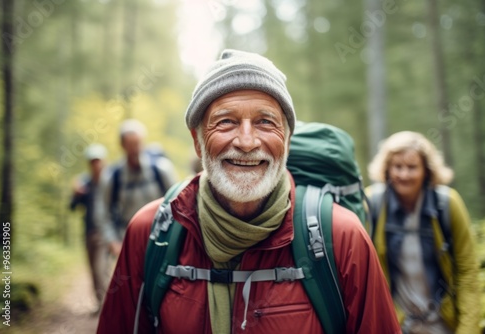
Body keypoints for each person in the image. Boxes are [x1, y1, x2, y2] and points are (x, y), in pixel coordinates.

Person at [97, 49, 400, 333]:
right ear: (197, 140)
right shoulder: (151, 232)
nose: (246, 141)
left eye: (265, 122)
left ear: (287, 140)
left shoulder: (341, 236)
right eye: (226, 121)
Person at [366, 131, 480, 334]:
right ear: (387, 169)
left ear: (426, 170)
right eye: (397, 167)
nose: (404, 175)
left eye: (412, 167)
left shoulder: (447, 205)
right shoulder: (373, 204)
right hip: (397, 325)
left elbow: (467, 272)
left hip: (444, 324)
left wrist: (468, 329)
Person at [95, 119, 177, 256]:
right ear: (122, 145)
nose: (135, 149)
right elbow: (103, 213)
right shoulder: (112, 177)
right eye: (130, 145)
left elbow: (178, 203)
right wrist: (113, 242)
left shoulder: (162, 169)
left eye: (137, 143)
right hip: (127, 241)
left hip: (162, 240)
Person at [69, 143, 109, 311]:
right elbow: (72, 207)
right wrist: (77, 195)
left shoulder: (111, 181)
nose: (96, 164)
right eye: (93, 161)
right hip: (88, 232)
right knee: (93, 270)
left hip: (105, 233)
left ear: (103, 161)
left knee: (101, 269)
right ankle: (100, 303)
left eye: (98, 160)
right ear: (89, 163)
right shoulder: (83, 184)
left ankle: (107, 304)